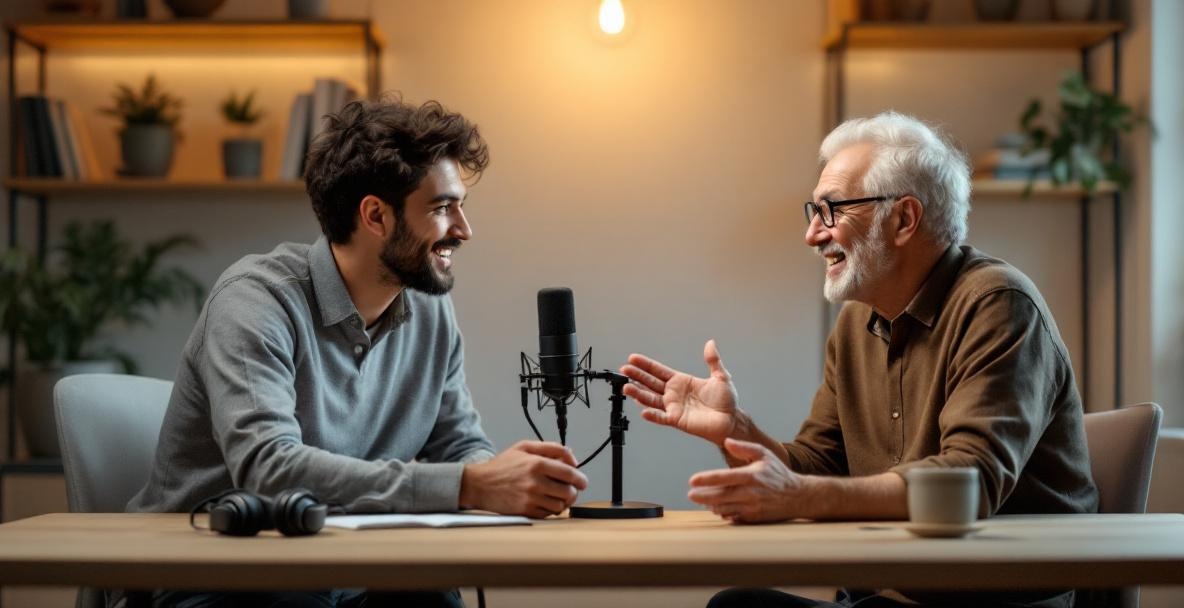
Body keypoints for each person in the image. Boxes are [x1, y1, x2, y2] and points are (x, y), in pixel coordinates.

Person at [618, 112, 1097, 608]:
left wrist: (799, 495)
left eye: (832, 210)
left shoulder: (997, 303)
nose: (812, 235)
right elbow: (816, 466)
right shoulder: (854, 324)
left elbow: (968, 483)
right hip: (886, 595)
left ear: (904, 219)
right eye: (814, 212)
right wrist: (735, 429)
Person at [124, 97, 588, 608]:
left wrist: (510, 481)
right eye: (441, 208)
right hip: (217, 580)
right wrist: (471, 484)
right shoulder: (255, 301)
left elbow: (458, 445)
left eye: (461, 206)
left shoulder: (430, 313)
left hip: (343, 574)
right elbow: (268, 469)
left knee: (430, 599)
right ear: (375, 216)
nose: (463, 228)